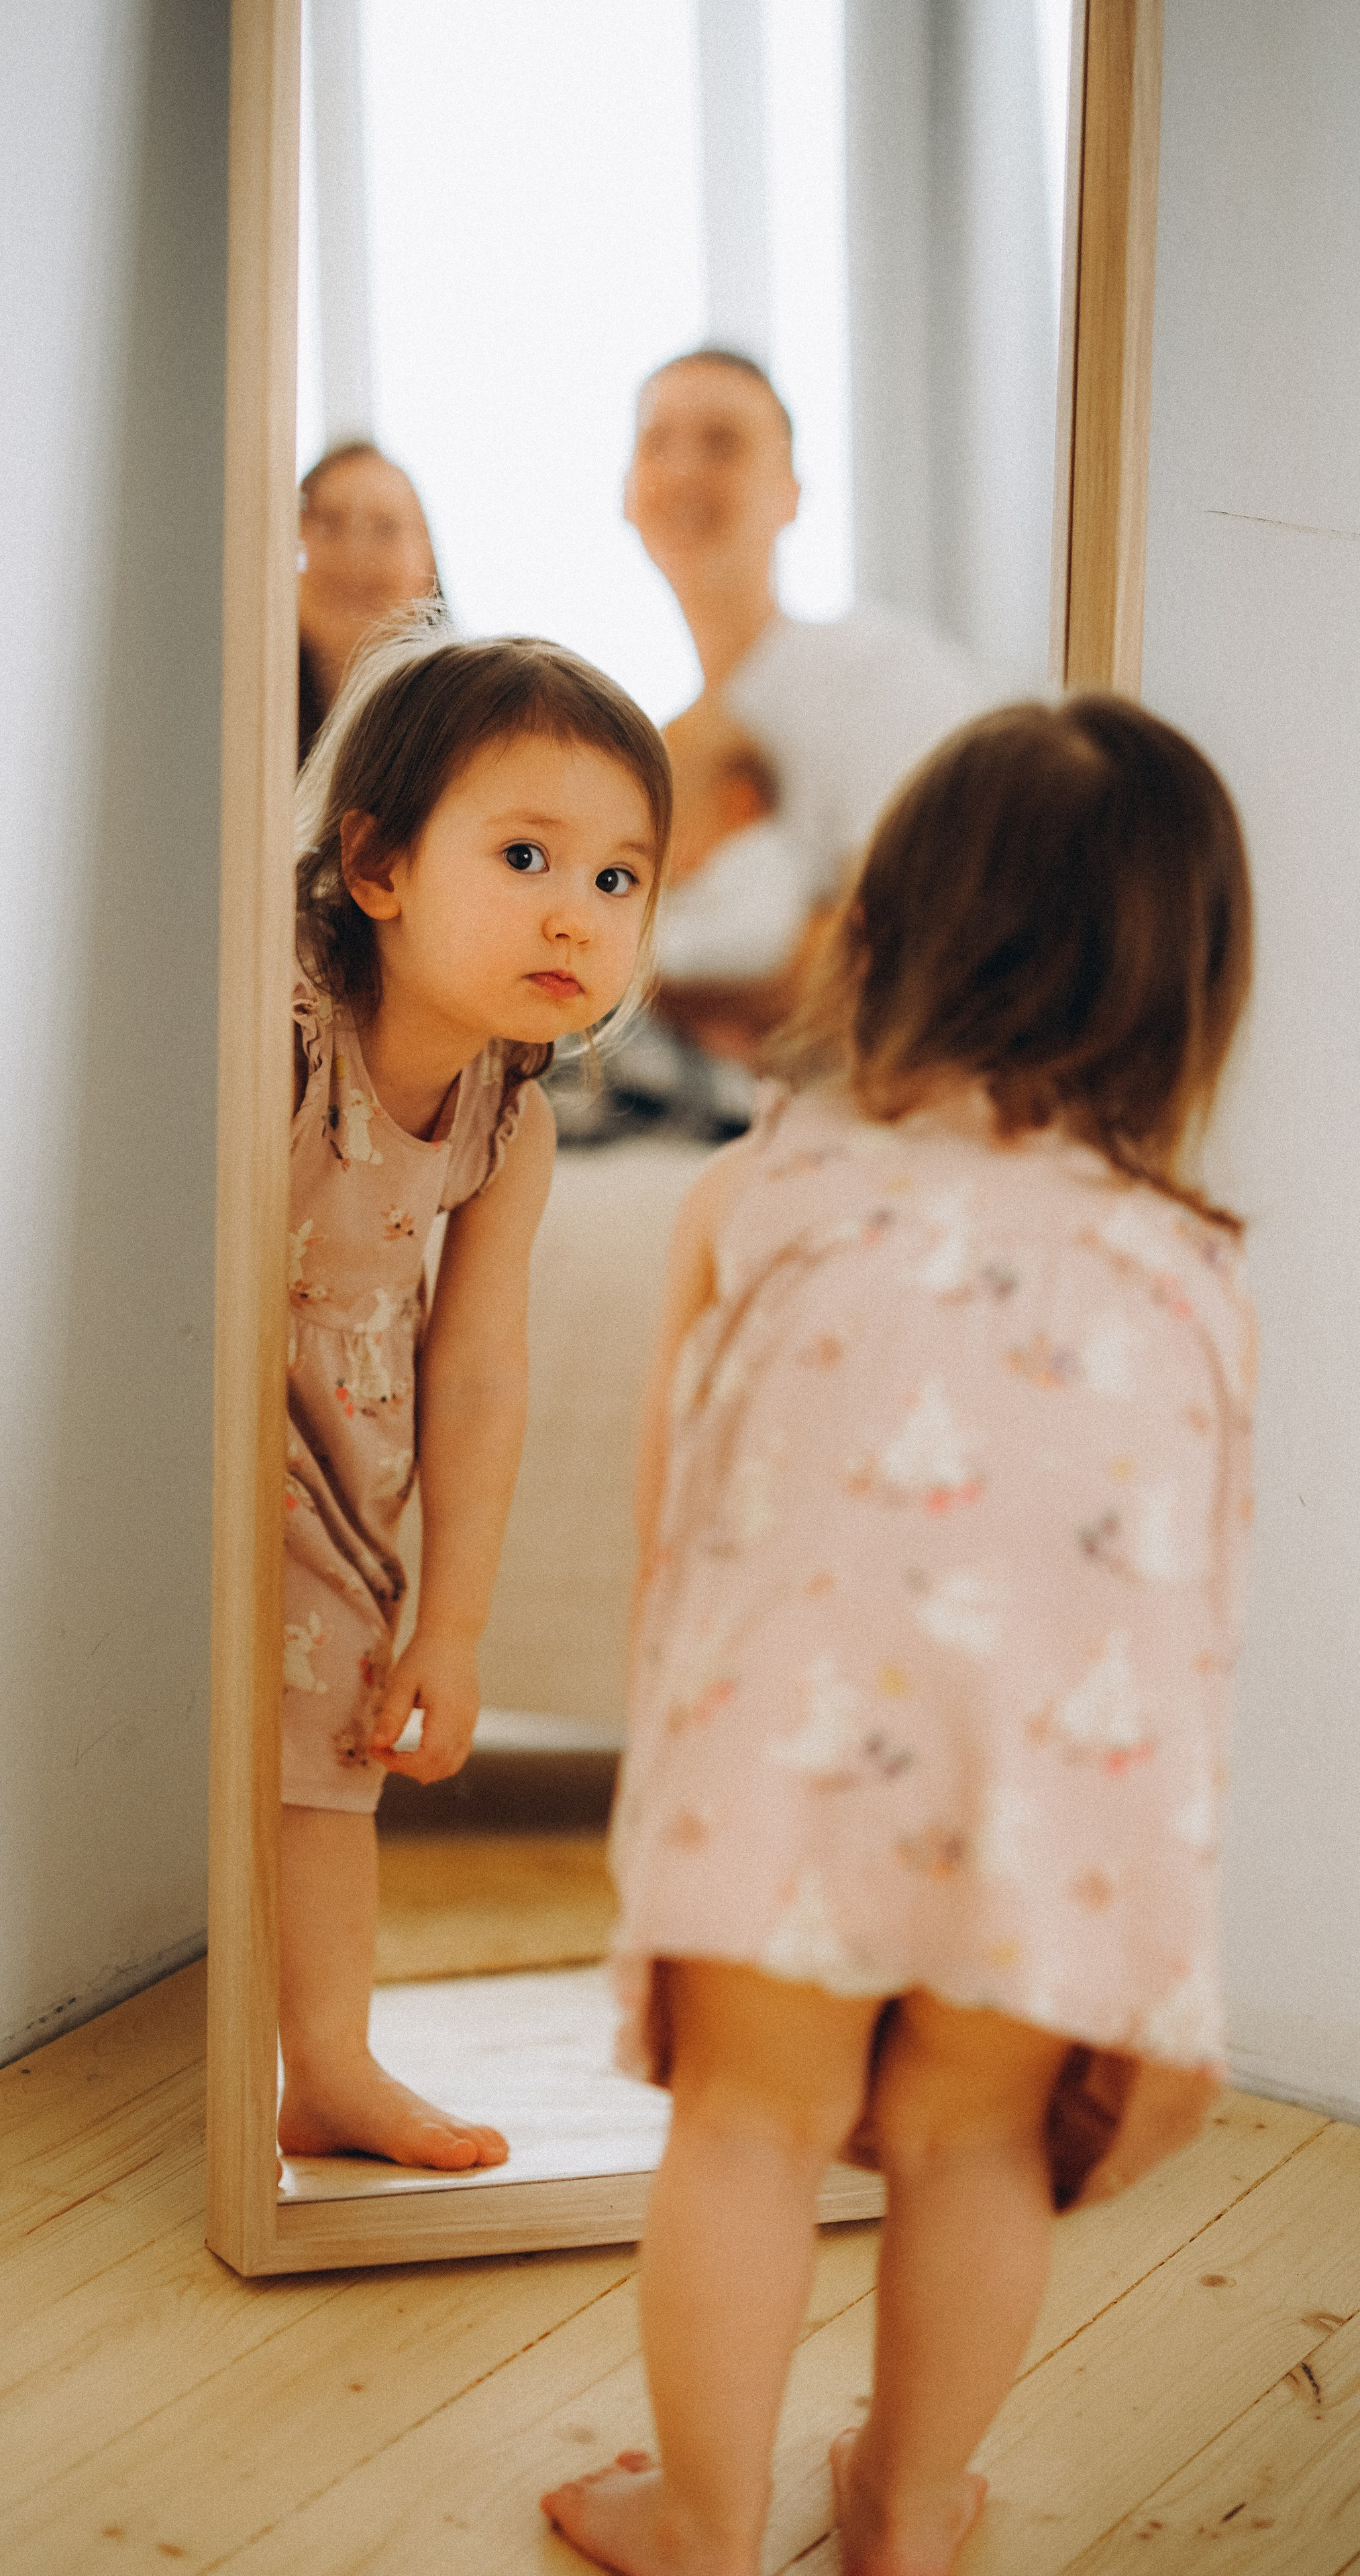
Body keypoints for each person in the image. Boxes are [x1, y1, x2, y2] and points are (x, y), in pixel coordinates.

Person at [543, 694, 1255, 2573]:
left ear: (886, 928)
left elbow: (669, 1513)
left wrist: (671, 1731)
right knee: (970, 2148)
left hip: (773, 1746)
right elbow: (1189, 1596)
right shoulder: (1193, 1266)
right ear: (1186, 994)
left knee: (750, 2131)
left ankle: (699, 2520)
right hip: (1058, 1783)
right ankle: (907, 2506)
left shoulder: (770, 1180)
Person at [280, 619, 670, 2170]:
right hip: (234, 1433)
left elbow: (483, 1367)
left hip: (349, 1468)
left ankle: (326, 2061)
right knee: (287, 1766)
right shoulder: (288, 1043)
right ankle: (305, 2049)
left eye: (616, 878)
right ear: (375, 871)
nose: (573, 912)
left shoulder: (510, 1122)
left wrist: (453, 1619)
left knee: (334, 1766)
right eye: (523, 854)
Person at [596, 350, 991, 1116]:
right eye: (657, 443)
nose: (682, 470)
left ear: (790, 496)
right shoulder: (671, 743)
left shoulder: (881, 671)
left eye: (720, 443)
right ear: (625, 495)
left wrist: (625, 973)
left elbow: (904, 956)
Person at [297, 442, 441, 763]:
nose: (356, 557)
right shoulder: (239, 715)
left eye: (385, 528)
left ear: (428, 556)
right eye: (330, 524)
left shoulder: (465, 722)